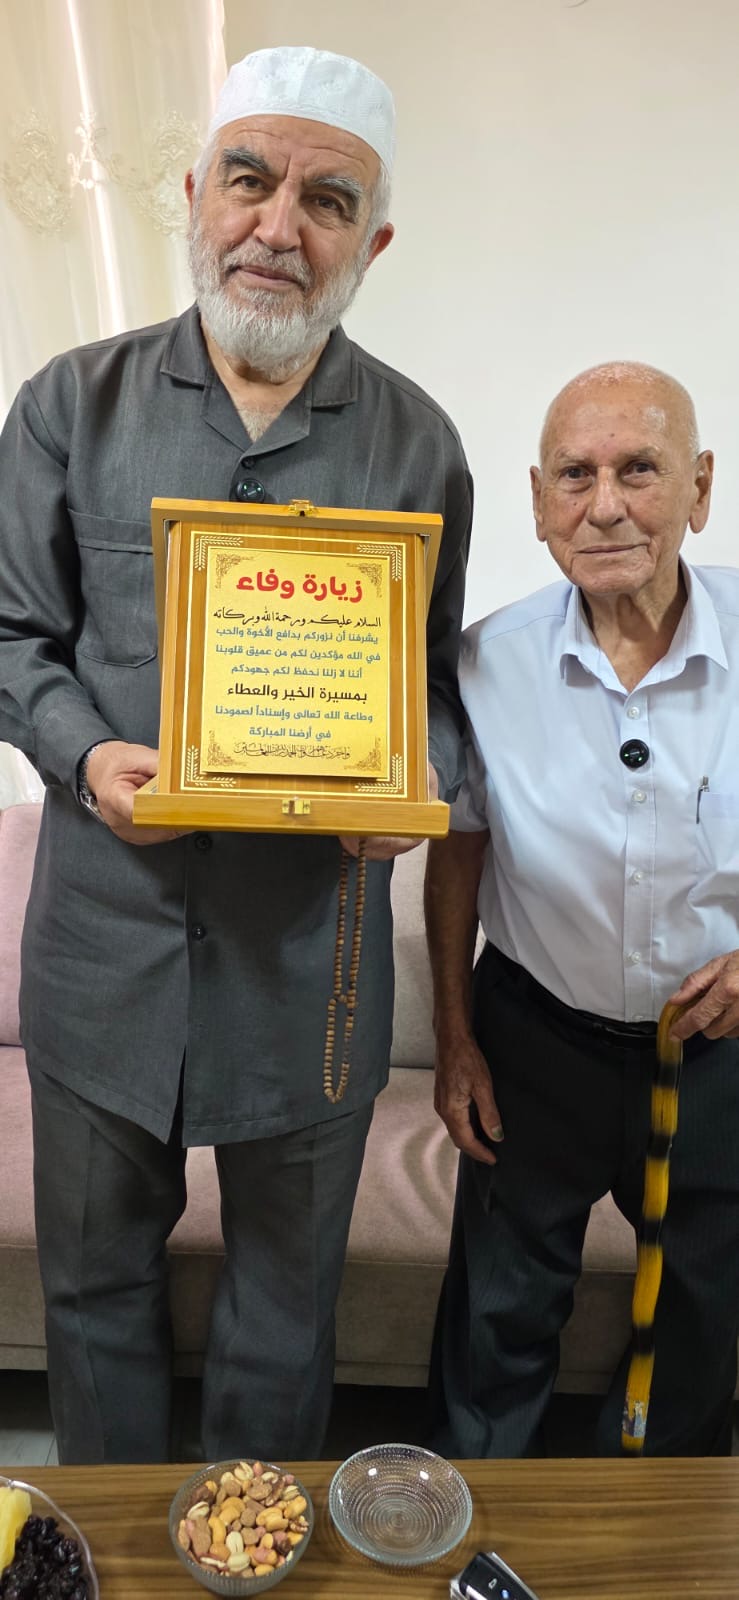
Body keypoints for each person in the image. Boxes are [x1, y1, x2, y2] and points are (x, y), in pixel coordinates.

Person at [0, 45, 472, 1464]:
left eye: (327, 201)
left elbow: (432, 687)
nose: (278, 226)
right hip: (104, 952)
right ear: (195, 195)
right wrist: (89, 758)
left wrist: (415, 784)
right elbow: (13, 637)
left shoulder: (415, 443)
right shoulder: (70, 404)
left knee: (283, 1311)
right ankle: (121, 1550)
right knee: (93, 1294)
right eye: (249, 181)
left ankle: (247, 1544)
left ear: (370, 245)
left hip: (311, 968)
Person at [425, 361, 739, 1457]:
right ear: (537, 500)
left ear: (698, 488)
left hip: (715, 1055)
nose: (603, 505)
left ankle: (652, 1519)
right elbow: (458, 851)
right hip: (536, 1042)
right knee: (497, 1318)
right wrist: (453, 1037)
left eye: (638, 469)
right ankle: (474, 1515)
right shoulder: (485, 663)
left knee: (698, 1316)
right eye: (574, 475)